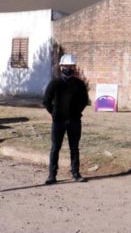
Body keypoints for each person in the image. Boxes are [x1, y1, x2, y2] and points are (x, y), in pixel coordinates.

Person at [42, 54, 89, 185]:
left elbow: (84, 100)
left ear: (74, 68)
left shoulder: (79, 84)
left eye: (71, 66)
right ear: (61, 67)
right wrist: (54, 113)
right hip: (58, 121)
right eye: (66, 66)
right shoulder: (54, 83)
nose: (69, 68)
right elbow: (46, 101)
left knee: (74, 148)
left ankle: (76, 173)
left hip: (74, 121)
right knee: (55, 147)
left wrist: (76, 111)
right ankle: (52, 175)